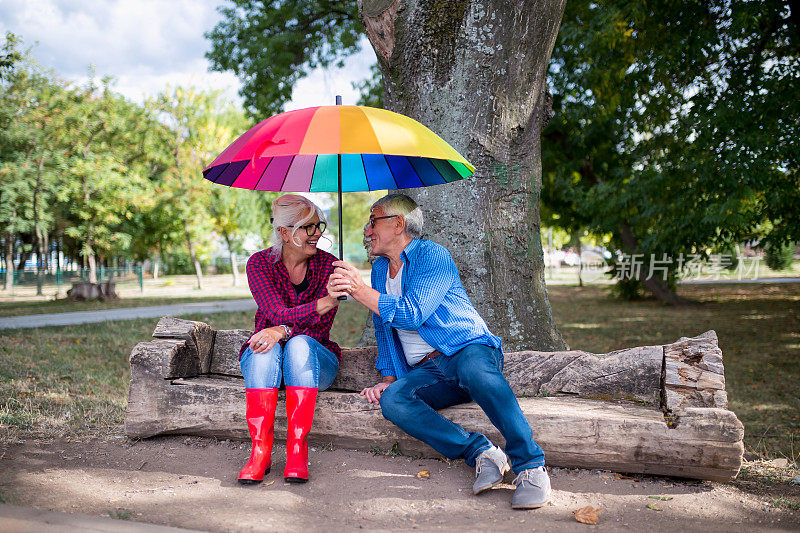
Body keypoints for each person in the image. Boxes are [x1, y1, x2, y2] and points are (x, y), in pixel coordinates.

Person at [329, 193, 551, 509]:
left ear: (397, 224)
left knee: (476, 372)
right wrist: (390, 377)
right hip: (431, 371)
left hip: (467, 349)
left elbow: (412, 312)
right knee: (393, 401)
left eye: (372, 221)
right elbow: (384, 327)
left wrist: (360, 290)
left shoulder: (433, 256)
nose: (366, 231)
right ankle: (481, 451)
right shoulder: (380, 270)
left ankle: (530, 466)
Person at [238, 194, 345, 485]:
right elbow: (274, 312)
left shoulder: (331, 267)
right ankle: (260, 452)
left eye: (318, 226)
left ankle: (297, 450)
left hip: (313, 362)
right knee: (261, 347)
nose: (317, 234)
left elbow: (318, 332)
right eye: (307, 227)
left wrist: (283, 330)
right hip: (268, 360)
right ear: (285, 233)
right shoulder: (259, 263)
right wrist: (319, 305)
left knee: (298, 344)